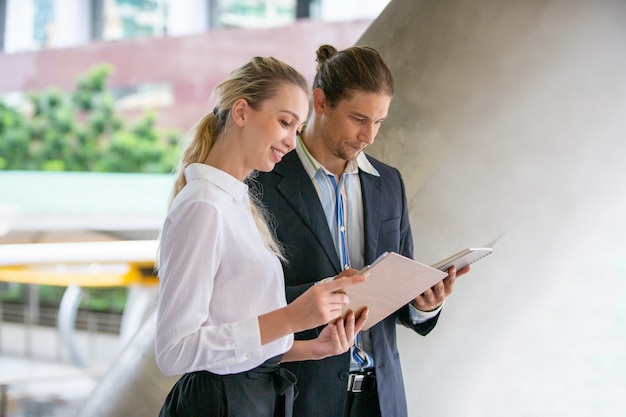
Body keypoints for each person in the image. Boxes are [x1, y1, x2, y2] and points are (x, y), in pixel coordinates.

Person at [254, 45, 470, 417]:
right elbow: (244, 303)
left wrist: (423, 305)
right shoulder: (261, 181)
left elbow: (397, 290)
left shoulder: (389, 183)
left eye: (379, 122)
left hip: (381, 398)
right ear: (320, 102)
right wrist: (323, 295)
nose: (369, 135)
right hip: (297, 397)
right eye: (358, 118)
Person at [154, 56, 369, 417]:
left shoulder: (237, 203)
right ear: (241, 112)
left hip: (250, 398)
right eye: (284, 122)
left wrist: (313, 347)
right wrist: (290, 318)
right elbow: (174, 350)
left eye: (297, 127)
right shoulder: (205, 206)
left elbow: (236, 339)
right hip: (220, 405)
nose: (291, 140)